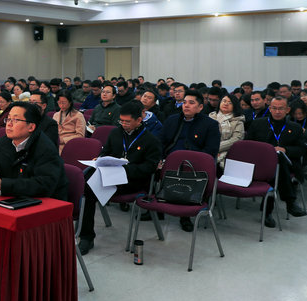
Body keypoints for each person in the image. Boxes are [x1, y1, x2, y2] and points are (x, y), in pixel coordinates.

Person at [78, 100, 162, 255]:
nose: (123, 124)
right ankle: (86, 236)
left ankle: (83, 230)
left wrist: (124, 169)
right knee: (87, 185)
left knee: (90, 188)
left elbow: (149, 168)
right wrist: (100, 159)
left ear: (139, 120)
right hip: (111, 176)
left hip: (132, 181)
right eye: (121, 121)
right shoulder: (116, 133)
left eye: (127, 122)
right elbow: (106, 152)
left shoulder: (151, 140)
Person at [0, 102, 68, 200]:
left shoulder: (45, 148)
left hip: (43, 203)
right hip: (12, 197)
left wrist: (3, 184)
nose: (9, 124)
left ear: (31, 127)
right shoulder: (4, 142)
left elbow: (43, 185)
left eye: (15, 120)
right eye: (8, 119)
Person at [160, 89, 221, 232]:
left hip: (194, 165)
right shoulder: (172, 120)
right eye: (184, 102)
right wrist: (160, 158)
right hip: (169, 160)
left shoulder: (210, 125)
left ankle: (185, 216)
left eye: (191, 103)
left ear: (200, 107)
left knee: (186, 171)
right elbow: (160, 142)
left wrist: (194, 161)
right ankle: (157, 208)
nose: (186, 105)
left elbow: (211, 150)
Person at [245, 96, 307, 222]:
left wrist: (285, 150)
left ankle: (267, 212)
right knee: (276, 165)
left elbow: (301, 150)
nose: (277, 111)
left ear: (287, 110)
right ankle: (290, 201)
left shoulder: (295, 127)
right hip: (260, 163)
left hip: (287, 164)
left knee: (278, 162)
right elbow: (248, 145)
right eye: (274, 108)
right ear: (270, 109)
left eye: (281, 109)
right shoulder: (258, 123)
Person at [209, 94, 245, 169]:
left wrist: (216, 148)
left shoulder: (238, 120)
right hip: (208, 150)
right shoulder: (211, 117)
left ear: (234, 106)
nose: (226, 104)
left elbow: (236, 139)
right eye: (224, 101)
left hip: (227, 153)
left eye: (230, 103)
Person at [53, 90, 85, 154]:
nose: (61, 105)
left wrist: (63, 140)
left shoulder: (78, 115)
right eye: (59, 102)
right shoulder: (56, 115)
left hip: (69, 144)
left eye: (64, 103)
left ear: (70, 102)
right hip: (55, 143)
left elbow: (80, 135)